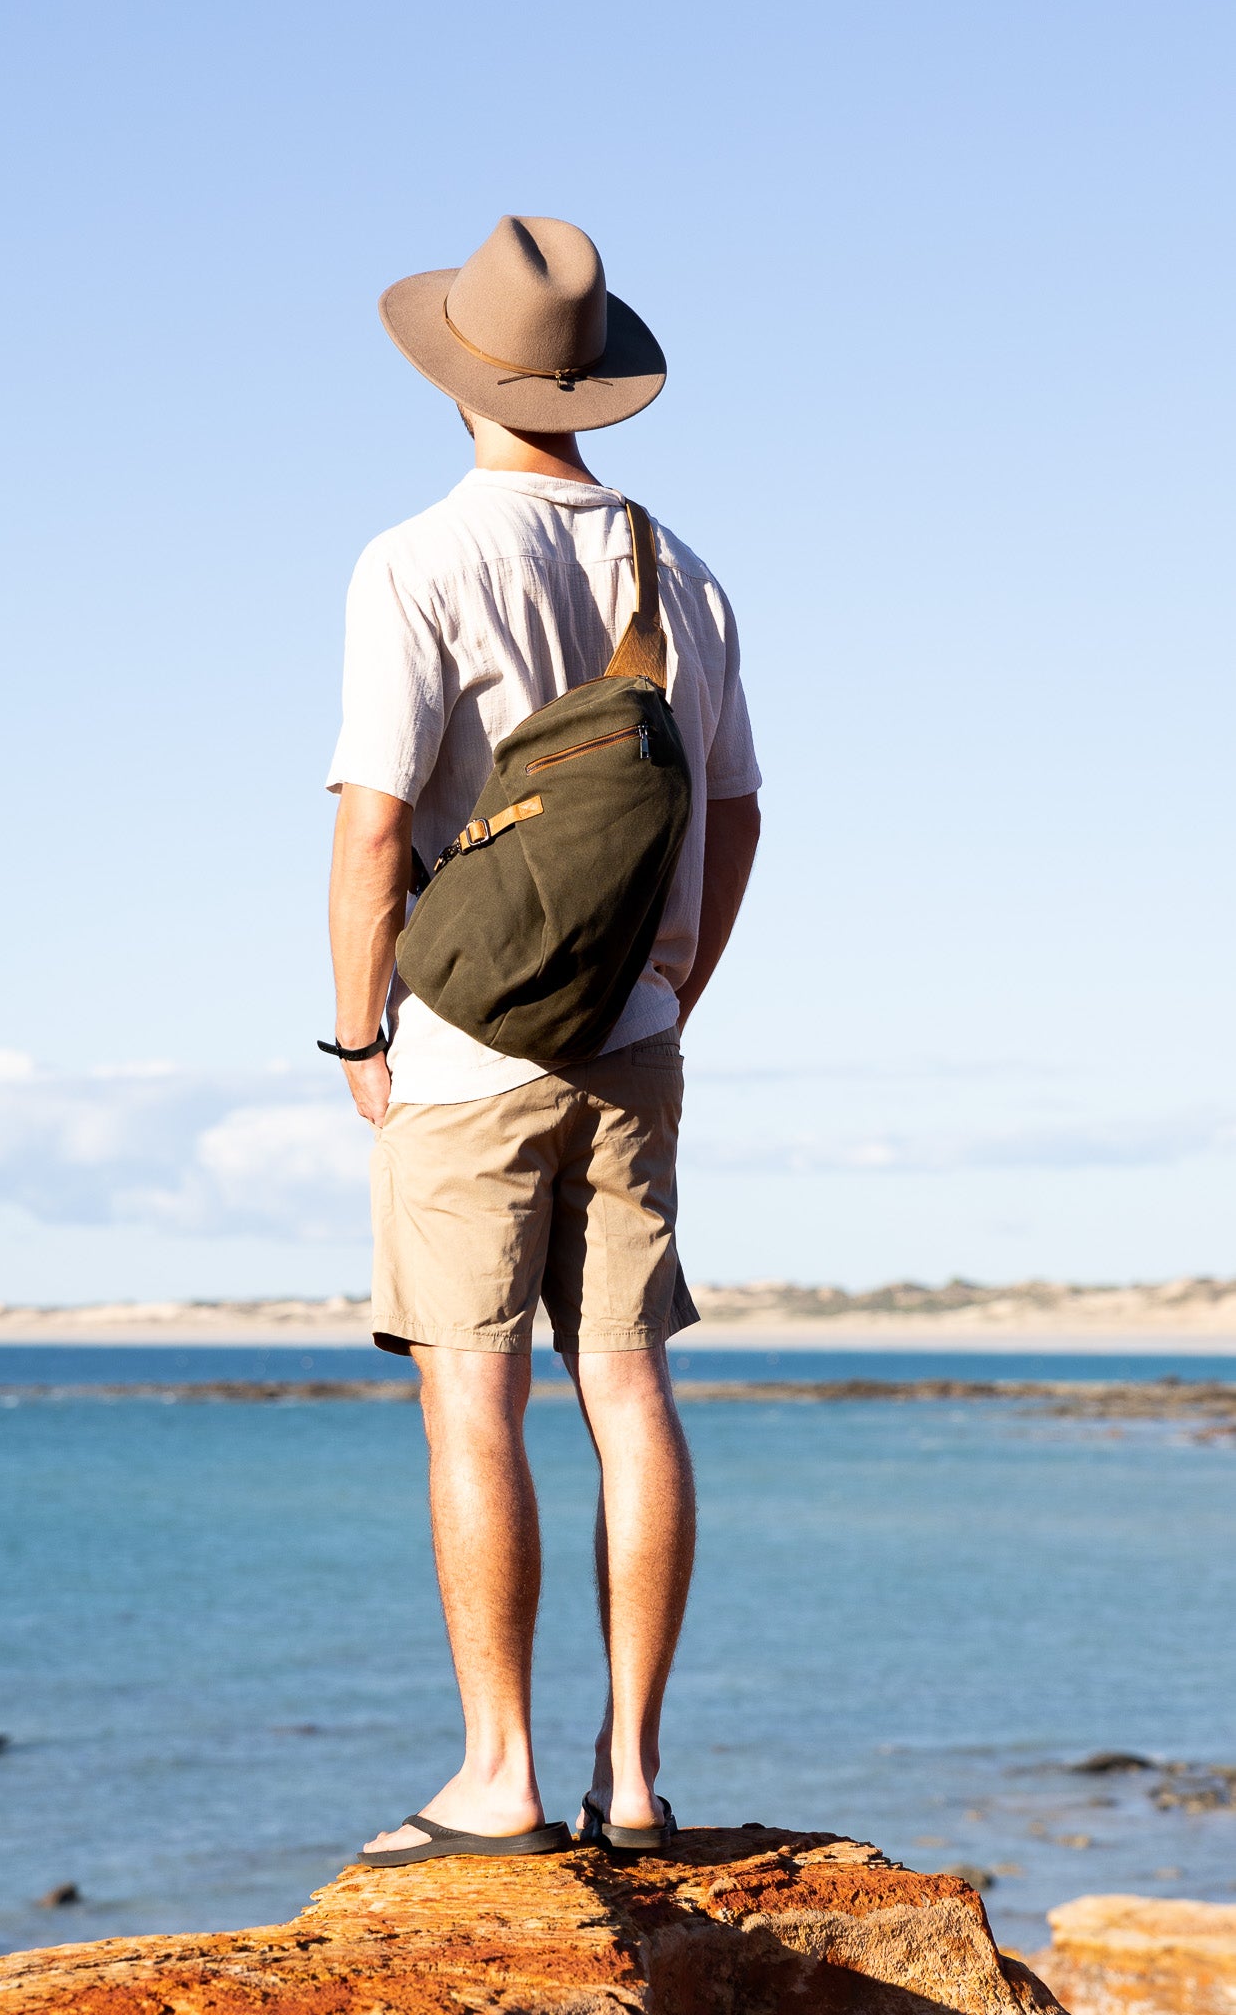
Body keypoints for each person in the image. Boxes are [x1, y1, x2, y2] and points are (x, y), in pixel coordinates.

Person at [325, 215, 761, 1866]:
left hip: (461, 1039)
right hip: (634, 1039)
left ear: (458, 378)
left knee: (471, 1402)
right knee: (631, 1386)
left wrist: (364, 1037)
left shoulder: (415, 560)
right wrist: (667, 990)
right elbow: (734, 810)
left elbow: (375, 830)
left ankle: (497, 1780)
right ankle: (634, 1782)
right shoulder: (683, 569)